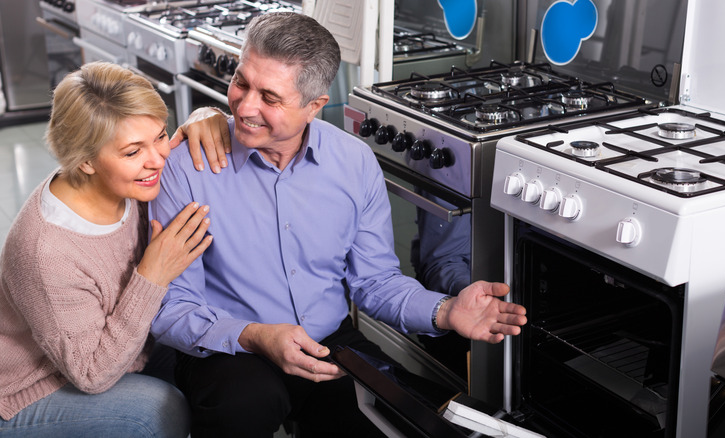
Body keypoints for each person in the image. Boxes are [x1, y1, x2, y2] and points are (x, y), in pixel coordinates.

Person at [150, 12, 527, 438]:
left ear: (314, 105)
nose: (244, 105)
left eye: (269, 97)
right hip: (227, 349)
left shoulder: (353, 161)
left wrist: (445, 310)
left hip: (329, 340)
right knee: (243, 405)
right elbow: (170, 306)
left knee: (402, 420)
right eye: (241, 82)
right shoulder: (189, 166)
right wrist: (254, 336)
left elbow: (376, 282)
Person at [0, 62, 214, 437]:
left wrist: (206, 115)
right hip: (35, 385)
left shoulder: (131, 183)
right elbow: (91, 375)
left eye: (160, 136)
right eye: (133, 152)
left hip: (122, 349)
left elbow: (188, 138)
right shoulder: (47, 251)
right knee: (156, 412)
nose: (158, 160)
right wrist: (152, 274)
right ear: (85, 160)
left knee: (211, 359)